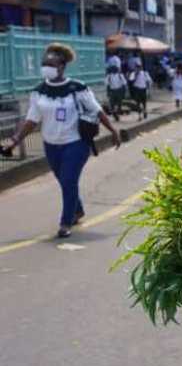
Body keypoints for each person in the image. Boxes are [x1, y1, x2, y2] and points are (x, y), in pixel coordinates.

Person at [1, 43, 120, 237]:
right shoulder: (38, 91)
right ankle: (78, 209)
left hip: (76, 143)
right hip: (51, 146)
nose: (46, 67)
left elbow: (97, 110)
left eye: (50, 63)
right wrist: (14, 141)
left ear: (62, 66)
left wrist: (113, 130)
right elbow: (31, 120)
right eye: (44, 63)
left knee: (68, 179)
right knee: (66, 182)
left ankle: (66, 222)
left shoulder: (77, 87)